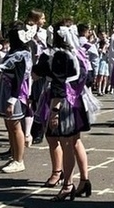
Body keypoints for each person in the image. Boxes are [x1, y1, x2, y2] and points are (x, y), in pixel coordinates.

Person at [33, 23, 95, 199]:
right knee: (75, 141)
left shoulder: (59, 55)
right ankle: (84, 180)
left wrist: (54, 110)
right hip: (76, 99)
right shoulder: (77, 51)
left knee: (67, 143)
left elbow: (58, 84)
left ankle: (68, 184)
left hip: (63, 101)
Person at [0, 22, 33, 173]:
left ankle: (19, 160)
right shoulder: (13, 52)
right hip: (6, 90)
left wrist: (12, 100)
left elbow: (19, 79)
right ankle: (14, 156)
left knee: (15, 127)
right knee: (9, 126)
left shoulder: (21, 54)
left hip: (14, 93)